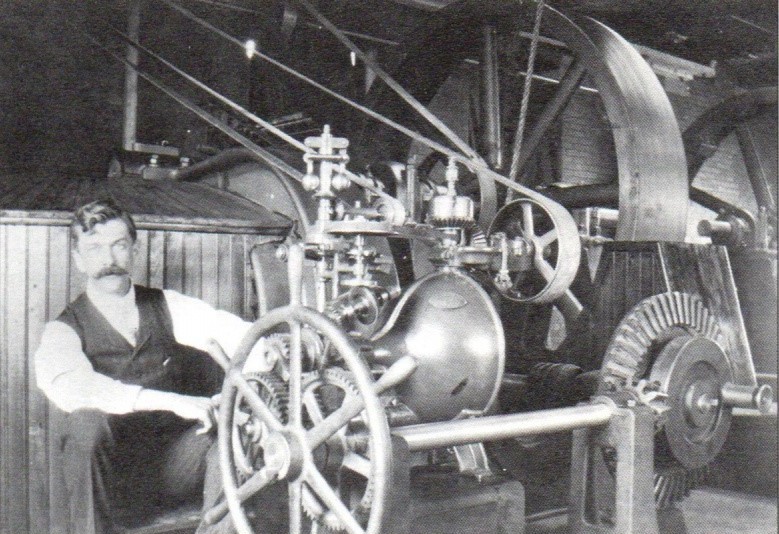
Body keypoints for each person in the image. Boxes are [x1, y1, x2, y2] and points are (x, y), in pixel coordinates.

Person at [35, 199, 260, 534]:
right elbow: (74, 390)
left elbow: (239, 336)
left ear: (135, 250)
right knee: (86, 424)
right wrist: (173, 401)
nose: (109, 260)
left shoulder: (168, 305)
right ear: (78, 259)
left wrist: (254, 386)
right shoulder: (63, 330)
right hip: (111, 486)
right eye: (95, 249)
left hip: (176, 469)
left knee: (230, 431)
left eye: (119, 246)